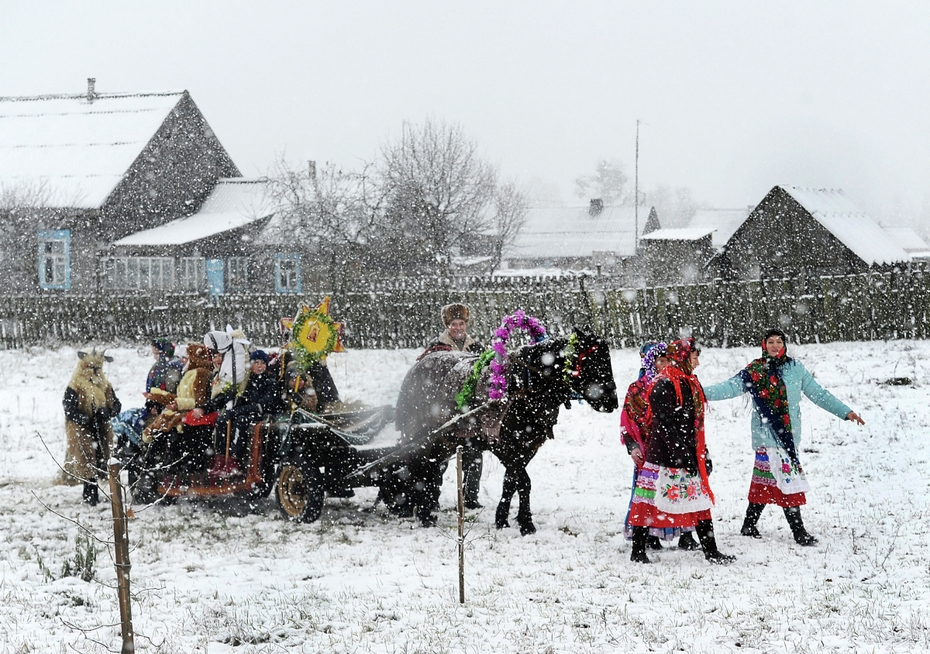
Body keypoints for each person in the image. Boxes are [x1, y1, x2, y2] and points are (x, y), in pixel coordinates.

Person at [703, 328, 865, 546]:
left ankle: (749, 525)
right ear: (763, 345)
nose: (775, 346)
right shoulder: (755, 370)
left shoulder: (795, 369)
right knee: (788, 480)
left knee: (766, 481)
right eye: (771, 342)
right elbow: (730, 387)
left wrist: (845, 412)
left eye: (779, 341)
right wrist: (700, 391)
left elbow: (818, 394)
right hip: (766, 435)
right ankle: (799, 532)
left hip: (789, 436)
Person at [628, 338, 734, 565]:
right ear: (683, 357)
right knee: (648, 503)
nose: (697, 363)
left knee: (700, 504)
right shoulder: (664, 384)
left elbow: (695, 424)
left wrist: (701, 452)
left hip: (687, 453)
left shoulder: (689, 382)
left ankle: (711, 552)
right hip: (664, 457)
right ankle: (637, 551)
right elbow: (664, 424)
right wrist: (682, 454)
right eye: (694, 357)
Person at [620, 342, 699, 551]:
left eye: (668, 361)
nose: (665, 365)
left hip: (672, 445)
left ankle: (685, 533)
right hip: (649, 450)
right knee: (649, 496)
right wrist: (632, 446)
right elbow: (626, 423)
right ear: (650, 363)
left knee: (679, 489)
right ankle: (649, 535)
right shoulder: (636, 389)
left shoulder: (676, 383)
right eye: (660, 361)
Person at [422, 302, 486, 509]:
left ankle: (470, 497)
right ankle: (431, 497)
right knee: (439, 457)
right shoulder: (437, 347)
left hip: (469, 412)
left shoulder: (476, 348)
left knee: (474, 455)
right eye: (453, 324)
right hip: (443, 411)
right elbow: (427, 378)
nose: (458, 328)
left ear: (466, 324)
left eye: (461, 323)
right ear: (447, 325)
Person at [142, 343, 216, 473]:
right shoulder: (189, 373)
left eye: (185, 358)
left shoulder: (201, 374)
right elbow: (179, 396)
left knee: (168, 432)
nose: (182, 361)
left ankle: (163, 468)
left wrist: (178, 404)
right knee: (160, 432)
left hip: (188, 413)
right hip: (181, 411)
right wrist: (156, 396)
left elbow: (199, 401)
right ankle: (153, 467)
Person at [63, 348, 122, 505]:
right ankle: (90, 496)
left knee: (101, 459)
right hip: (82, 429)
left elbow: (116, 404)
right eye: (92, 368)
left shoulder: (104, 385)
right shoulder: (75, 385)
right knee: (87, 461)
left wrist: (108, 411)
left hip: (100, 428)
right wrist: (82, 418)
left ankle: (98, 493)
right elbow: (69, 408)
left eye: (98, 368)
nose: (95, 372)